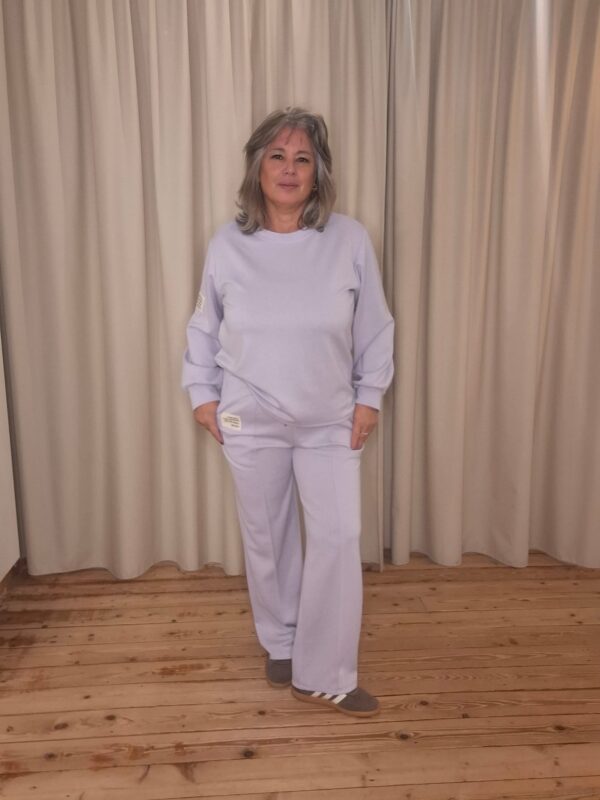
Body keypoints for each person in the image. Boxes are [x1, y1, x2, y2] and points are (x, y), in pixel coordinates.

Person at [182, 108, 394, 717]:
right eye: (277, 156)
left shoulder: (348, 240)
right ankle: (281, 641)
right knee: (268, 536)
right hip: (249, 416)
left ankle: (324, 672)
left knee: (338, 537)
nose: (290, 169)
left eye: (303, 158)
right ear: (258, 167)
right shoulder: (227, 244)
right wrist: (202, 394)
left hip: (330, 419)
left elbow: (375, 325)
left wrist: (369, 396)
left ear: (318, 172)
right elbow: (204, 325)